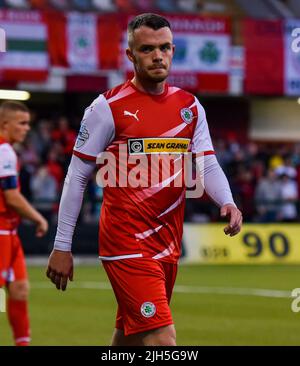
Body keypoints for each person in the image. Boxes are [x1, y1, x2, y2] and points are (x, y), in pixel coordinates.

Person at [46, 13, 242, 346]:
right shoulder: (107, 107)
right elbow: (77, 176)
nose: (158, 56)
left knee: (129, 340)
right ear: (130, 55)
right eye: (148, 49)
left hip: (167, 244)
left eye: (164, 48)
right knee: (163, 340)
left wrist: (227, 200)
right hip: (125, 244)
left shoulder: (190, 107)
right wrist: (61, 246)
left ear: (173, 50)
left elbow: (207, 164)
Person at [0, 101, 48, 346]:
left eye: (28, 123)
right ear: (5, 124)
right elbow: (12, 197)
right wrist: (38, 217)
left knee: (19, 289)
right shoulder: (4, 151)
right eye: (22, 123)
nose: (27, 128)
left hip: (10, 231)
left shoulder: (7, 150)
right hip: (1, 232)